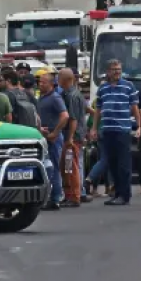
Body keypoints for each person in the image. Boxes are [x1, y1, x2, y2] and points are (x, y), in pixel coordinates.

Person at [91, 59, 141, 206]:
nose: (117, 72)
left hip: (122, 130)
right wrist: (94, 128)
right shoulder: (103, 88)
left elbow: (135, 108)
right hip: (107, 130)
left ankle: (125, 195)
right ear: (108, 71)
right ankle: (116, 193)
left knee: (123, 164)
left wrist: (138, 126)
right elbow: (98, 110)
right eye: (114, 69)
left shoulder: (128, 86)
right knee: (112, 164)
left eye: (119, 69)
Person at [36, 72, 69, 211]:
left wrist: (55, 132)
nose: (40, 84)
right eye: (40, 82)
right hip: (45, 135)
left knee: (54, 167)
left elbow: (65, 116)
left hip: (53, 138)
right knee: (48, 167)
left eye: (43, 82)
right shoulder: (42, 97)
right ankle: (51, 196)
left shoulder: (55, 98)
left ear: (51, 84)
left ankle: (55, 198)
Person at [58, 68, 86, 209]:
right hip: (71, 136)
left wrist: (70, 138)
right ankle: (69, 194)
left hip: (72, 137)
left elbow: (73, 119)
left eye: (59, 77)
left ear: (65, 79)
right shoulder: (71, 94)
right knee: (67, 166)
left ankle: (75, 196)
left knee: (72, 166)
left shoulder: (72, 96)